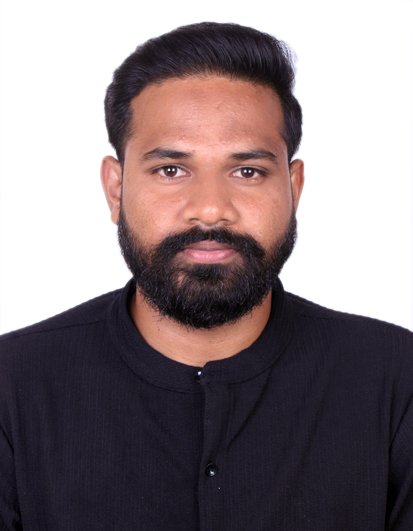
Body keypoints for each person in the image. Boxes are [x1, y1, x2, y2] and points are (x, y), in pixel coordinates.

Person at [0, 21, 412, 531]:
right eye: (171, 170)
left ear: (294, 187)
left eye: (248, 171)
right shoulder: (12, 387)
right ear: (115, 189)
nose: (211, 209)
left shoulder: (397, 380)